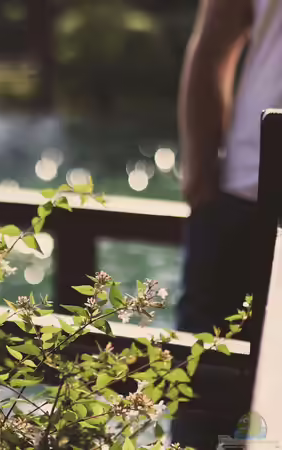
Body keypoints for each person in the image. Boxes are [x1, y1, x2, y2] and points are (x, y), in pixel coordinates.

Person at [176, 0, 280, 446]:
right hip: (245, 194)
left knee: (205, 389)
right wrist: (201, 183)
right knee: (203, 394)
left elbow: (213, 42)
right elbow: (214, 41)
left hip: (243, 191)